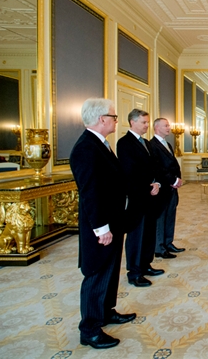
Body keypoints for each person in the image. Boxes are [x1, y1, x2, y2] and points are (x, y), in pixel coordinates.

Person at [69, 98, 136, 349]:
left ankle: (106, 312)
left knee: (110, 270)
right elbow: (90, 193)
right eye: (114, 117)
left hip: (113, 221)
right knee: (96, 273)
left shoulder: (100, 144)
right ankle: (90, 330)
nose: (116, 121)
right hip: (100, 226)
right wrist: (101, 228)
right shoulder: (86, 148)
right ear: (102, 119)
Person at [117, 109, 164, 287]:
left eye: (147, 122)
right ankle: (134, 272)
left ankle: (146, 265)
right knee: (137, 235)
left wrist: (157, 182)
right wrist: (148, 186)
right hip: (137, 198)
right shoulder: (124, 143)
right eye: (144, 122)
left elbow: (155, 166)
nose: (147, 125)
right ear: (132, 122)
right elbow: (130, 171)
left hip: (151, 196)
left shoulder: (146, 143)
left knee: (149, 233)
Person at [149, 118, 185, 258]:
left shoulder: (167, 144)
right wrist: (172, 180)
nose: (169, 128)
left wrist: (177, 179)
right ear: (157, 128)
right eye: (166, 125)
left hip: (172, 188)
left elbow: (174, 165)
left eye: (168, 125)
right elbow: (158, 168)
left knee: (170, 215)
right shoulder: (152, 145)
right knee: (161, 218)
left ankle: (168, 243)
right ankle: (159, 248)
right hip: (162, 187)